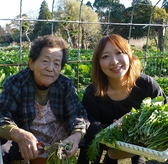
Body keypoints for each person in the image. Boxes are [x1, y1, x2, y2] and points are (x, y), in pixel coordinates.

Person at [77, 34, 168, 164]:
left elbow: (165, 111)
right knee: (95, 140)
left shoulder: (146, 85)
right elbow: (89, 129)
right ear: (98, 64)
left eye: (119, 52)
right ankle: (111, 157)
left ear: (129, 56)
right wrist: (112, 130)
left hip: (139, 141)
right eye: (105, 56)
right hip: (104, 139)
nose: (114, 61)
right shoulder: (92, 92)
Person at [0, 35, 89, 164]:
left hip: (58, 145)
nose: (50, 68)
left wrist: (76, 136)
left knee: (92, 130)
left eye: (56, 64)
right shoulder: (16, 83)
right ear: (31, 63)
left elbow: (76, 114)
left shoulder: (65, 85)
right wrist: (18, 134)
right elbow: (2, 114)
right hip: (25, 144)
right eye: (45, 61)